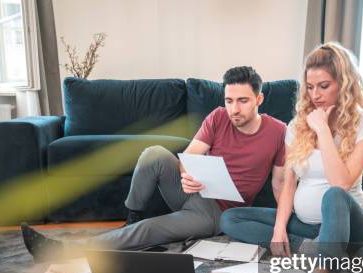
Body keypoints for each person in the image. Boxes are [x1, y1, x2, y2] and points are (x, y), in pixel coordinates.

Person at [21, 66, 286, 261]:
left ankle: (65, 251)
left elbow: (280, 183)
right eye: (229, 101)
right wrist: (186, 174)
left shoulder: (279, 132)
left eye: (243, 101)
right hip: (193, 191)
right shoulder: (218, 117)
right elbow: (191, 155)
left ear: (259, 100)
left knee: (151, 228)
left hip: (216, 213)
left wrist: (281, 226)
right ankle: (131, 216)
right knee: (154, 153)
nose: (234, 110)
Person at [220, 43, 363, 273]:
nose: (316, 95)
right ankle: (311, 249)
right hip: (306, 225)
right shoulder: (298, 125)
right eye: (310, 87)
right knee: (230, 218)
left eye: (324, 86)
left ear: (344, 84)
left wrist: (322, 129)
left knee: (334, 194)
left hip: (350, 223)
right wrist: (279, 228)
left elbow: (341, 183)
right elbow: (289, 184)